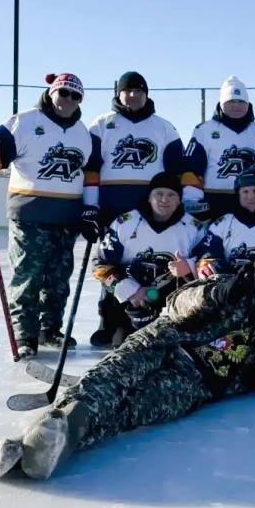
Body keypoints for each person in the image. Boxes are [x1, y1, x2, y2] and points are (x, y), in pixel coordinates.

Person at [0, 249, 255, 481]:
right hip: (162, 341)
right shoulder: (226, 284)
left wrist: (252, 380)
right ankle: (45, 436)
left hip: (197, 380)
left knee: (130, 409)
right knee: (105, 383)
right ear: (254, 270)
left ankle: (31, 449)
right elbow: (177, 303)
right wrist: (215, 294)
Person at [0, 73, 102, 359]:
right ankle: (25, 335)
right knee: (28, 277)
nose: (68, 101)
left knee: (59, 280)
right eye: (63, 93)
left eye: (75, 96)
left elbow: (91, 175)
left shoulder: (83, 133)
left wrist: (90, 210)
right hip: (30, 216)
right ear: (51, 93)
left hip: (66, 219)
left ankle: (51, 330)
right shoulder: (25, 122)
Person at [88, 71, 186, 345]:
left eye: (138, 90)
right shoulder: (101, 124)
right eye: (127, 90)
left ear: (147, 93)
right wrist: (90, 207)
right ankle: (107, 321)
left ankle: (154, 315)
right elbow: (92, 169)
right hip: (111, 210)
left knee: (150, 264)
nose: (132, 95)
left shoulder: (163, 127)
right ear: (118, 93)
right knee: (111, 264)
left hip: (152, 211)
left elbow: (176, 170)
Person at [91, 173, 208, 348]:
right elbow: (100, 265)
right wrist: (130, 290)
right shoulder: (125, 223)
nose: (164, 200)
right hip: (130, 300)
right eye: (158, 194)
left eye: (171, 195)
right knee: (124, 346)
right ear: (149, 197)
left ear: (179, 200)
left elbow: (208, 263)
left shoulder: (194, 228)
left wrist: (190, 267)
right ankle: (113, 326)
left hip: (171, 302)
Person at [183, 76, 255, 220]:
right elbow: (191, 168)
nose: (236, 106)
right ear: (221, 103)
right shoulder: (204, 130)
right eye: (230, 101)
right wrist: (192, 199)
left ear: (248, 104)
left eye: (241, 101)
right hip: (213, 203)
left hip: (251, 203)